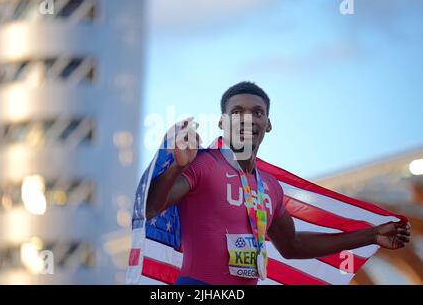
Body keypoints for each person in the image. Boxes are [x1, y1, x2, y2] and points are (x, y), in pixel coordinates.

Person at [145, 81, 411, 285]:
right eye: (237, 112)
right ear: (222, 122)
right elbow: (150, 208)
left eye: (257, 112)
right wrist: (178, 166)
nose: (247, 118)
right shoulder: (203, 164)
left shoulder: (270, 187)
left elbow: (292, 246)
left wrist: (371, 235)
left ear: (268, 123)